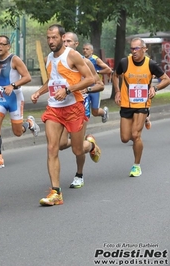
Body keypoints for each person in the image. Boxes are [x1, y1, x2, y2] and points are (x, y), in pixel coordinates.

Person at [30, 24, 97, 206]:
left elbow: (91, 79)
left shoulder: (72, 55)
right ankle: (56, 192)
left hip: (73, 107)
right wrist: (39, 92)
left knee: (76, 150)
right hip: (54, 108)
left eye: (54, 38)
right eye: (48, 38)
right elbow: (51, 80)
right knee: (53, 148)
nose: (51, 41)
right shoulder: (49, 58)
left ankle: (89, 145)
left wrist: (68, 90)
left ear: (62, 37)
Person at [112, 37, 170, 177]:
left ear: (144, 49)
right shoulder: (124, 62)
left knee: (135, 134)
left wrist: (155, 89)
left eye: (137, 48)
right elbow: (115, 75)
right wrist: (118, 91)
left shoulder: (151, 64)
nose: (134, 52)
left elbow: (166, 79)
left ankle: (136, 166)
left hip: (142, 103)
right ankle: (144, 120)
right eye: (132, 49)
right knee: (125, 138)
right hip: (126, 103)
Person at [0, 35, 39, 169]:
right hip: (0, 98)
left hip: (15, 98)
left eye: (2, 44)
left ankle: (29, 123)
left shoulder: (15, 60)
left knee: (18, 132)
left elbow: (27, 77)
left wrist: (12, 85)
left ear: (8, 46)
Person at [60, 32, 104, 189]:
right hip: (62, 107)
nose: (65, 43)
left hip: (80, 108)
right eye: (63, 41)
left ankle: (79, 175)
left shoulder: (85, 62)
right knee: (61, 144)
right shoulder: (58, 61)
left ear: (75, 44)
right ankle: (90, 144)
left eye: (69, 41)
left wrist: (88, 89)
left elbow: (100, 85)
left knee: (76, 149)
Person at [83, 43, 112, 123]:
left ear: (92, 51)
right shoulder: (80, 59)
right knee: (85, 111)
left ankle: (104, 112)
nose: (85, 51)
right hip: (85, 88)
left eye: (87, 49)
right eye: (84, 49)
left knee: (95, 112)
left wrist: (97, 71)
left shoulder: (95, 59)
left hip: (95, 88)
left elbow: (108, 70)